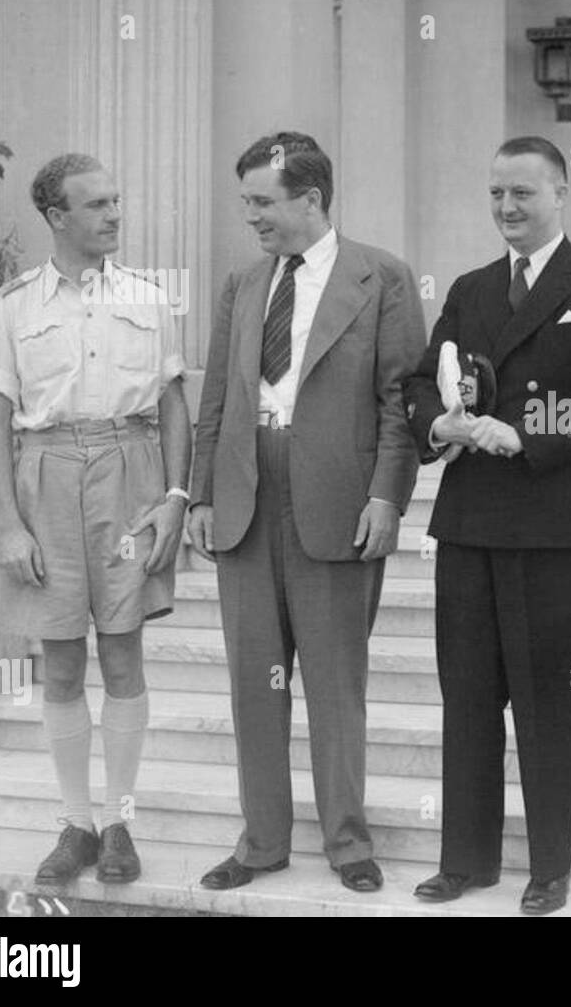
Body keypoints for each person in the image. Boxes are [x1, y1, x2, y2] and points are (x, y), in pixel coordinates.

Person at [402, 136, 571, 915]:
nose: (507, 207)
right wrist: (445, 426)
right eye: (497, 193)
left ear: (561, 192)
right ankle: (465, 859)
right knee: (467, 693)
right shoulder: (471, 289)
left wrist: (523, 434)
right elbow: (419, 380)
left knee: (548, 699)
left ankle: (549, 866)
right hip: (470, 522)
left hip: (553, 525)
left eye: (524, 194)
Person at [188, 132, 426, 893]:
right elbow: (217, 397)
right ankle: (261, 841)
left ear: (311, 198)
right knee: (255, 683)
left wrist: (389, 495)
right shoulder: (242, 283)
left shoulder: (381, 276)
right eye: (247, 201)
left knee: (334, 681)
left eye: (262, 200)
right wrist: (200, 493)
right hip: (247, 497)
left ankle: (348, 841)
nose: (250, 216)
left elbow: (401, 400)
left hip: (337, 501)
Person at [0, 153, 191, 886]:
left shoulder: (149, 297)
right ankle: (76, 824)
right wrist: (8, 524)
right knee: (62, 660)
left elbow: (171, 404)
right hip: (47, 473)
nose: (114, 215)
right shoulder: (13, 306)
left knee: (124, 655)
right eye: (96, 205)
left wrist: (174, 497)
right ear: (57, 217)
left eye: (116, 200)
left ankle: (120, 822)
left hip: (130, 471)